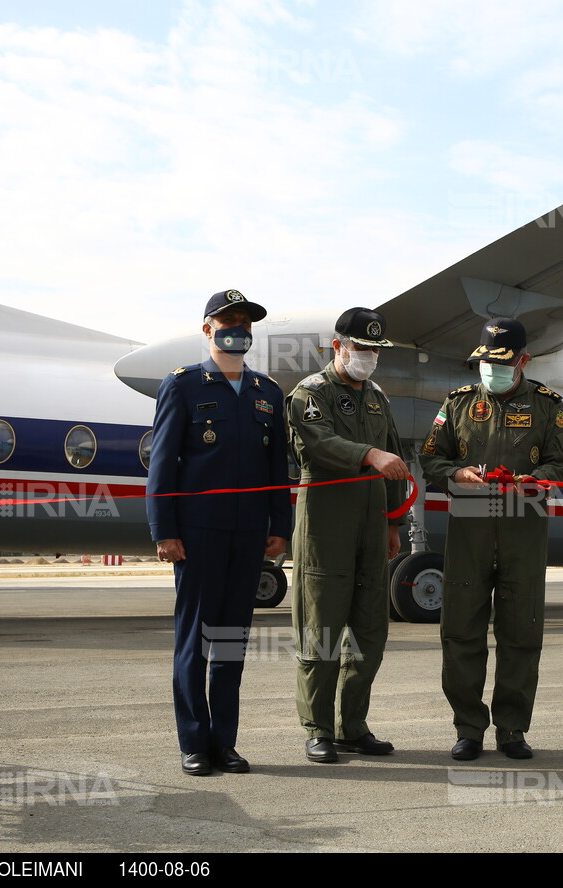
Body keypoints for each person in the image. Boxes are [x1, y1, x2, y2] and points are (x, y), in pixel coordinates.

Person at [419, 318, 563, 760]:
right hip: (469, 529)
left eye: (502, 362)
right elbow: (431, 457)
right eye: (486, 361)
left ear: (523, 360)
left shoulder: (548, 405)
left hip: (522, 529)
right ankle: (468, 728)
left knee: (520, 634)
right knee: (461, 633)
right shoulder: (458, 403)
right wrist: (457, 473)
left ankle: (511, 729)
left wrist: (537, 480)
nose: (492, 369)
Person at [147, 289, 292, 776]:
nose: (238, 330)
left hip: (249, 534)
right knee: (195, 642)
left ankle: (223, 742)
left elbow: (277, 468)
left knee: (231, 641)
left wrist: (280, 527)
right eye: (227, 322)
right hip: (198, 532)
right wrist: (164, 530)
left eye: (246, 324)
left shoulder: (268, 392)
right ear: (207, 330)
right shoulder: (184, 385)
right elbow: (163, 462)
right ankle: (193, 743)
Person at [286, 308, 410, 764]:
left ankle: (352, 726)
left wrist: (394, 521)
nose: (369, 357)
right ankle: (318, 728)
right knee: (321, 631)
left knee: (370, 631)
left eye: (375, 350)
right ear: (337, 347)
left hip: (372, 529)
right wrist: (369, 454)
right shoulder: (310, 394)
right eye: (361, 348)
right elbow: (316, 445)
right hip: (325, 529)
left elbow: (394, 460)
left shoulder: (378, 397)